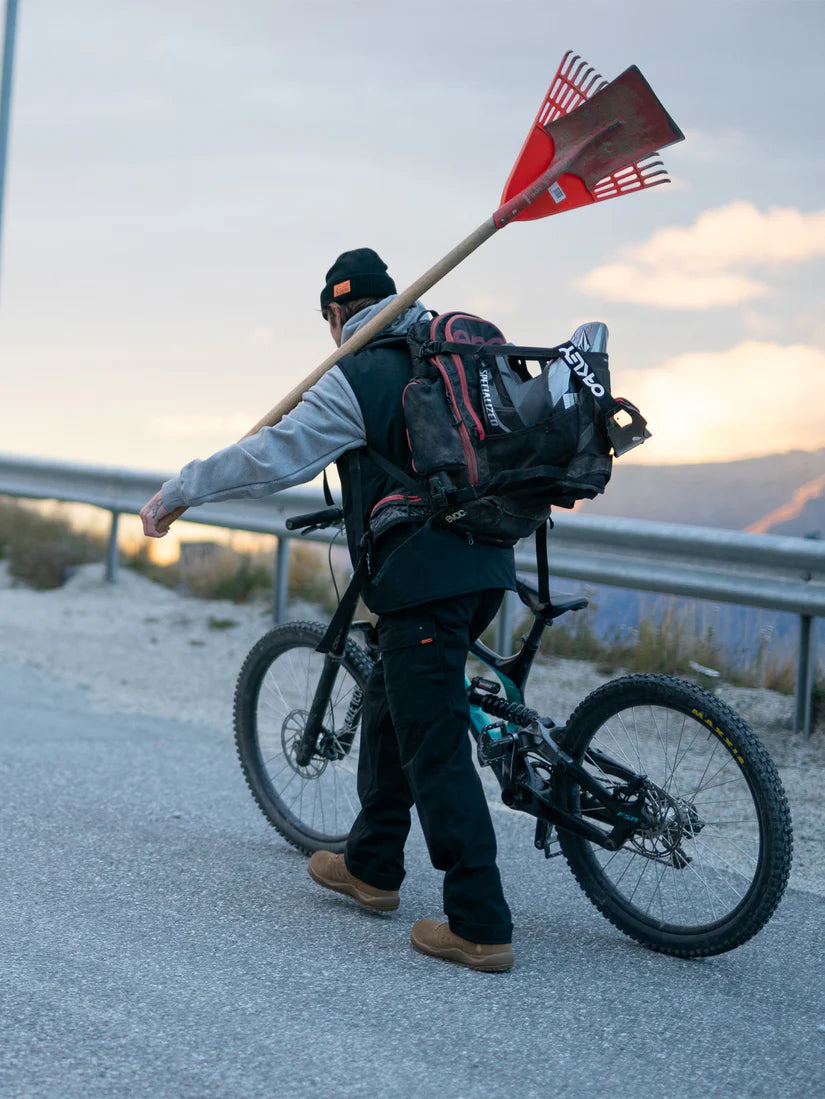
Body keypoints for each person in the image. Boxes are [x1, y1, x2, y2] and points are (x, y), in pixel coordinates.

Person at [140, 248, 517, 972]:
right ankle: (371, 865)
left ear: (338, 312)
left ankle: (479, 924)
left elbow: (270, 457)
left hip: (423, 580)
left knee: (434, 743)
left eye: (328, 321)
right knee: (390, 700)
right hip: (489, 564)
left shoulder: (359, 373)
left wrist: (182, 488)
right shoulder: (448, 354)